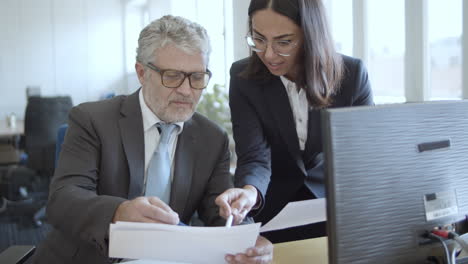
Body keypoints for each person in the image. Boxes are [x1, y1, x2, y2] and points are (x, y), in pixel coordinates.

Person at [32, 15, 272, 264]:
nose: (186, 90)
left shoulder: (212, 138)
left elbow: (220, 212)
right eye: (172, 76)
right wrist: (118, 212)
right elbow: (63, 199)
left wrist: (247, 238)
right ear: (142, 72)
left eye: (197, 77)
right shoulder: (92, 119)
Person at [216, 0, 374, 243]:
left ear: (311, 36)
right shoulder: (243, 78)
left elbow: (362, 159)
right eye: (258, 39)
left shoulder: (351, 75)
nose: (268, 54)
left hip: (336, 208)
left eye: (284, 42)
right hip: (274, 210)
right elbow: (255, 155)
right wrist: (249, 193)